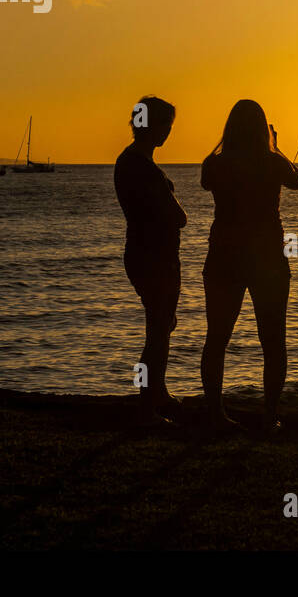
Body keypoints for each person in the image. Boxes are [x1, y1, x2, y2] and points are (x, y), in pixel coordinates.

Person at [199, 99, 298, 433]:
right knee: (273, 341)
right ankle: (269, 415)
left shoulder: (214, 165)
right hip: (268, 258)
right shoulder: (271, 162)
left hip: (224, 256)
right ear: (263, 130)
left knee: (217, 338)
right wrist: (277, 146)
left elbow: (206, 183)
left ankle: (215, 413)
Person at [114, 96, 186, 425]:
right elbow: (173, 215)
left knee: (161, 327)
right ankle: (146, 403)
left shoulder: (134, 161)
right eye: (165, 125)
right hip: (151, 257)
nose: (168, 132)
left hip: (152, 255)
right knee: (156, 332)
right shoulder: (138, 165)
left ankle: (157, 390)